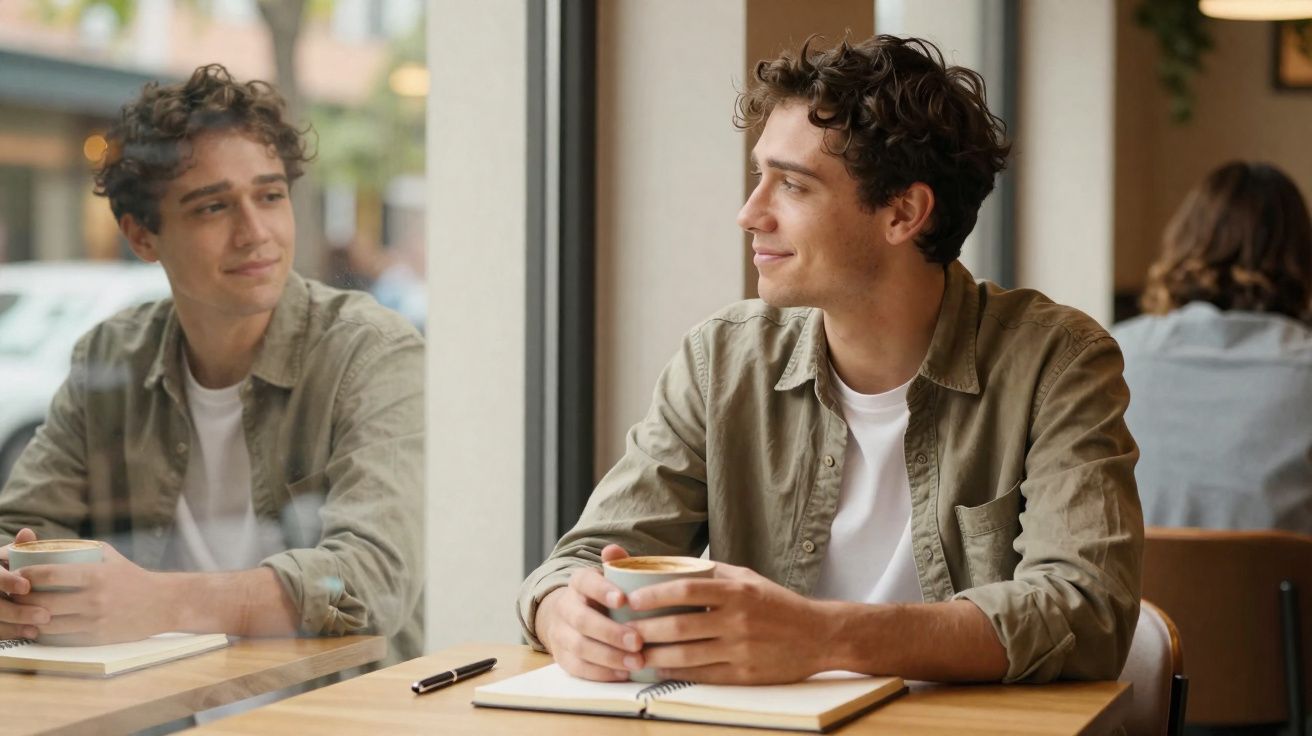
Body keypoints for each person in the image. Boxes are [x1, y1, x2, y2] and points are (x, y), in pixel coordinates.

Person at [518, 35, 1142, 686]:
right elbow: (584, 558)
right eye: (759, 177)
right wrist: (564, 612)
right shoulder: (723, 359)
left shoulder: (1058, 363)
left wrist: (822, 637)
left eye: (791, 185)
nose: (749, 213)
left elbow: (1087, 611)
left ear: (903, 212)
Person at [0, 65, 424, 665]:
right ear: (143, 236)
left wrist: (161, 603)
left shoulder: (369, 352)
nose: (256, 233)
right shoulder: (111, 357)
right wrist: (15, 585)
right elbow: (22, 529)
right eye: (212, 208)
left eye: (270, 195)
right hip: (154, 710)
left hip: (335, 716)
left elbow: (369, 581)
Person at [1115, 161, 1312, 534]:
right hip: (1277, 591)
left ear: (1184, 243)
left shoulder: (1116, 354)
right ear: (1301, 258)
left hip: (1138, 591)